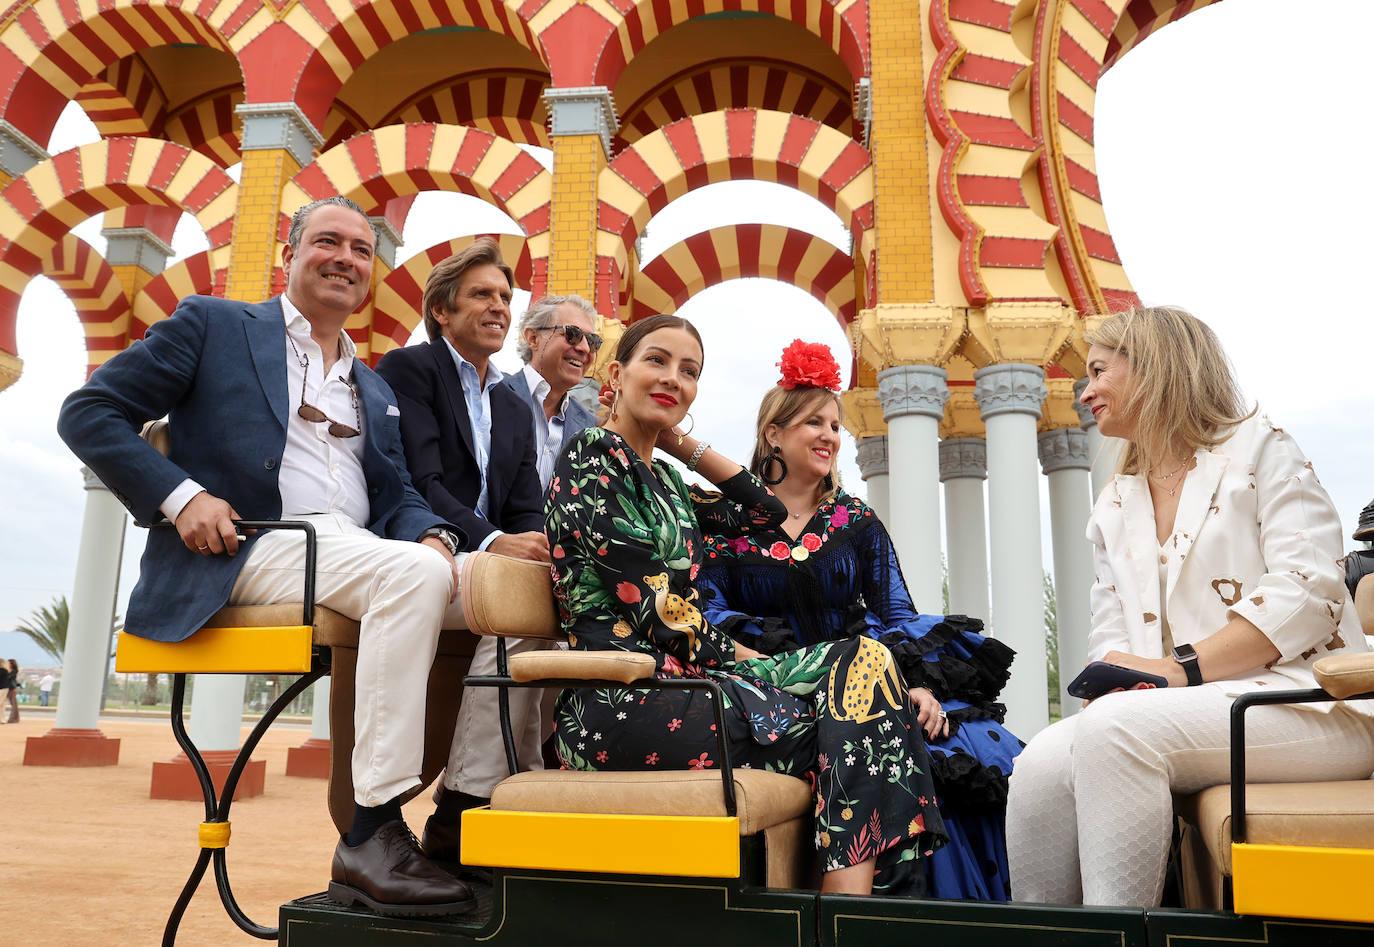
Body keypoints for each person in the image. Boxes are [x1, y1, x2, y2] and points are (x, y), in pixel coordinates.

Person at [58, 196, 475, 917]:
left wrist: (434, 531)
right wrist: (183, 496)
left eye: (361, 249)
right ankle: (372, 827)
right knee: (412, 573)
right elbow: (90, 412)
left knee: (513, 595)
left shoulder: (371, 384)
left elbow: (400, 492)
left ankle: (464, 806)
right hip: (249, 544)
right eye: (328, 241)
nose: (346, 257)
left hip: (356, 551)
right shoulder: (214, 324)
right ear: (291, 255)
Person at [546, 315, 947, 897]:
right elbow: (658, 610)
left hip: (691, 689)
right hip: (624, 701)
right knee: (860, 707)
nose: (673, 379)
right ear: (616, 373)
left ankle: (846, 915)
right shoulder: (592, 458)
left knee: (867, 671)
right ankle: (851, 919)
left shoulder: (665, 480)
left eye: (689, 372)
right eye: (655, 361)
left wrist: (679, 442)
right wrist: (745, 655)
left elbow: (763, 512)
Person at [1006, 305, 1374, 908]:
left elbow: (1309, 593)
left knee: (1115, 730)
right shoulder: (1116, 502)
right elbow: (1111, 632)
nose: (1087, 390)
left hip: (1308, 702)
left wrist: (1181, 669)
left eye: (1099, 371)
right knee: (1040, 762)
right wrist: (1118, 678)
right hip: (1191, 709)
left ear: (1152, 368)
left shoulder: (1261, 449)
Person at [697, 340, 1020, 901]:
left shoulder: (857, 520)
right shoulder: (723, 521)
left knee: (956, 751)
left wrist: (915, 683)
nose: (829, 435)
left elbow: (897, 611)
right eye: (813, 423)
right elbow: (711, 609)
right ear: (773, 433)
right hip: (766, 683)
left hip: (866, 683)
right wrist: (780, 652)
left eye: (836, 425)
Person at [375, 239, 550, 870]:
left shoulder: (511, 398)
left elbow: (526, 498)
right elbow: (422, 483)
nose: (499, 307)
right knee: (521, 608)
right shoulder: (411, 369)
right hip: (426, 553)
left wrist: (534, 544)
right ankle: (462, 809)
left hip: (490, 564)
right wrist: (494, 541)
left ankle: (515, 788)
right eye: (482, 294)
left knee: (565, 604)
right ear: (441, 311)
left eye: (505, 297)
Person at [500, 294, 599, 489]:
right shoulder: (492, 391)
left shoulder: (590, 427)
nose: (585, 348)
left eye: (593, 341)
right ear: (533, 338)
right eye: (572, 334)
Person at [0, 659, 12, 723]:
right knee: (2, 705)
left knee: (1, 704)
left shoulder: (3, 671)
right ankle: (2, 719)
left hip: (2, 688)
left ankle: (2, 719)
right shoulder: (5, 671)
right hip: (5, 688)